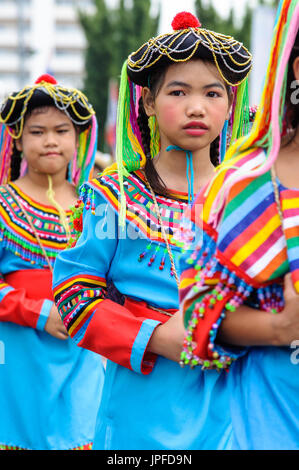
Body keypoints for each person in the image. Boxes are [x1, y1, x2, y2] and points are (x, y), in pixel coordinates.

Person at [53, 12, 252, 450]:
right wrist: (157, 337)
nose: (196, 107)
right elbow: (73, 293)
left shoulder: (248, 202)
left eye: (212, 92)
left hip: (230, 408)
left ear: (231, 104)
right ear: (146, 102)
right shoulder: (114, 196)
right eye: (178, 92)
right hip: (141, 409)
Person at [179, 0, 299, 450]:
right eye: (179, 92)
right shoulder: (246, 186)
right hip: (272, 422)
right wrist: (280, 329)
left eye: (212, 93)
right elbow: (198, 313)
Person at [0, 74, 104, 450]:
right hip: (18, 358)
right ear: (17, 138)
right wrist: (37, 312)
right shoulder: (2, 204)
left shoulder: (97, 204)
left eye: (61, 130)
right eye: (37, 131)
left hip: (85, 353)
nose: (49, 141)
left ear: (77, 139)